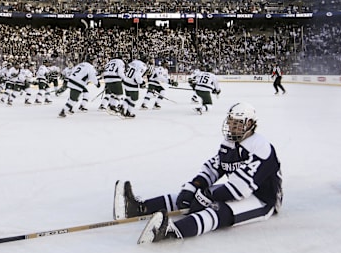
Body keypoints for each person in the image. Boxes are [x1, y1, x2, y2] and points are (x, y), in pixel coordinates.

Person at [113, 102, 283, 243]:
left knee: (218, 209)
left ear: (250, 124)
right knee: (188, 196)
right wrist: (194, 187)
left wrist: (207, 196)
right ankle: (138, 208)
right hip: (238, 188)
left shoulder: (260, 147)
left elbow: (241, 188)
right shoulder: (230, 142)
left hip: (262, 199)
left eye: (238, 123)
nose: (232, 127)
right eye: (231, 122)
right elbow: (214, 167)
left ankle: (172, 231)